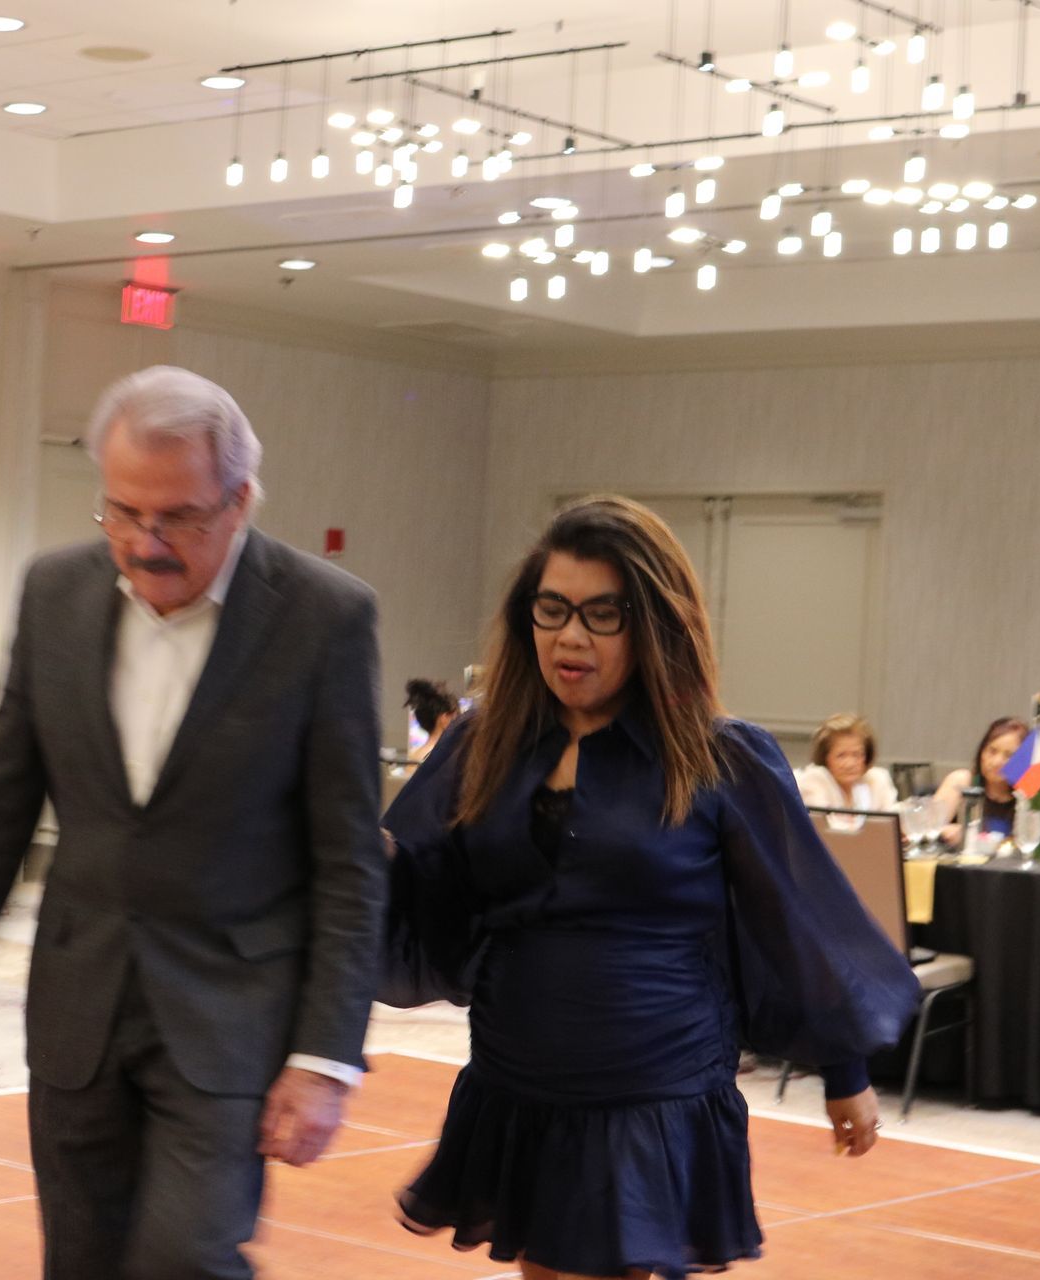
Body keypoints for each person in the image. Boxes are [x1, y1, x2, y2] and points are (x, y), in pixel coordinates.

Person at [0, 366, 386, 1280]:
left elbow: (350, 861)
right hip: (79, 1005)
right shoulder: (53, 593)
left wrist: (326, 1056)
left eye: (179, 518)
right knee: (82, 1261)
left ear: (240, 501)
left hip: (228, 1013)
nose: (145, 543)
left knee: (184, 1258)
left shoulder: (323, 617)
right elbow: (5, 804)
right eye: (122, 512)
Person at [380, 497, 918, 1280]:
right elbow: (416, 882)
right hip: (519, 1074)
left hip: (652, 1084)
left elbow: (796, 918)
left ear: (654, 626)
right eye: (552, 609)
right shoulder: (479, 744)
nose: (570, 636)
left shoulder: (720, 757)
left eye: (603, 614)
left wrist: (845, 1068)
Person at [930, 716, 1029, 847]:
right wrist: (944, 832)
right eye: (992, 751)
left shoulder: (1027, 797)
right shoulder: (962, 781)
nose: (996, 762)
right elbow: (925, 832)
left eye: (1009, 755)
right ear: (982, 751)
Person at [794, 713, 898, 812]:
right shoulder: (813, 780)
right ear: (825, 757)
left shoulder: (877, 780)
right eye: (841, 756)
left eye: (857, 754)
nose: (850, 764)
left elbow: (893, 821)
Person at [406, 677, 460, 763]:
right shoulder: (448, 757)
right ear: (445, 718)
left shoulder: (413, 755)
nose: (459, 721)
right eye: (457, 715)